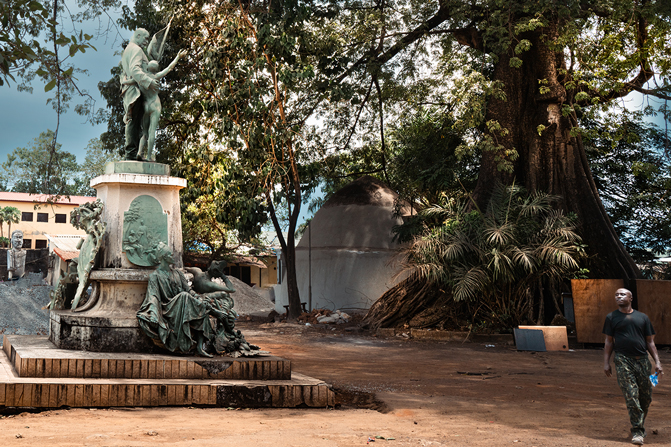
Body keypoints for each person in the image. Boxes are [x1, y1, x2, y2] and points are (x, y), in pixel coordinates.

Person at [136, 242, 228, 357]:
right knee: (184, 297)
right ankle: (213, 311)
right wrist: (153, 313)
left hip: (184, 303)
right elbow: (153, 296)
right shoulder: (155, 276)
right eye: (170, 255)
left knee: (195, 300)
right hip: (169, 307)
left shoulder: (178, 273)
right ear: (164, 258)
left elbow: (188, 290)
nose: (172, 257)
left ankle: (200, 346)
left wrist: (196, 296)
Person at [603, 288, 664, 445]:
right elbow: (609, 341)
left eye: (622, 294)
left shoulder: (642, 317)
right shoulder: (611, 317)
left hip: (643, 361)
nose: (619, 296)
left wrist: (657, 362)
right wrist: (606, 362)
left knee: (646, 397)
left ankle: (640, 423)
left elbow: (650, 342)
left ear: (631, 298)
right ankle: (637, 431)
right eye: (616, 294)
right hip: (623, 361)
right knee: (631, 395)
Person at [121, 50, 186, 161]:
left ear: (147, 68)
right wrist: (178, 57)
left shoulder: (141, 78)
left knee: (144, 133)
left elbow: (127, 82)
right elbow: (169, 68)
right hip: (155, 104)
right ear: (156, 69)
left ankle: (140, 152)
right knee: (152, 132)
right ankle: (149, 156)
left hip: (145, 105)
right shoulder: (156, 77)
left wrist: (124, 78)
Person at [120, 28, 159, 160]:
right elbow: (135, 70)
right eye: (145, 38)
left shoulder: (128, 50)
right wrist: (149, 81)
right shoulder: (136, 50)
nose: (146, 42)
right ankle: (130, 154)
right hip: (135, 91)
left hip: (129, 90)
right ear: (138, 36)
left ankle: (132, 153)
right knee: (134, 122)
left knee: (134, 121)